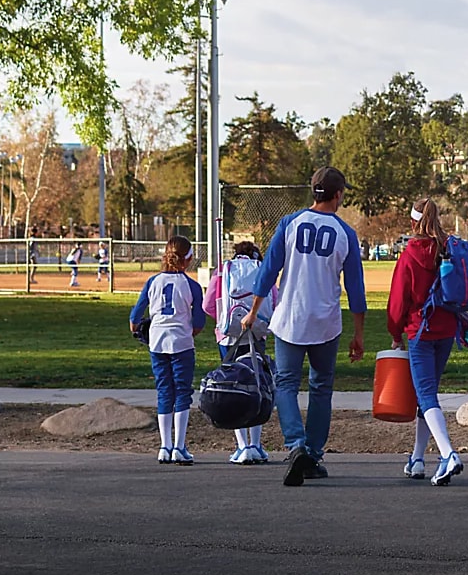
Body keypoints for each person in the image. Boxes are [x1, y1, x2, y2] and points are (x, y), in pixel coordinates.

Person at [244, 167, 367, 488]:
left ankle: (296, 444)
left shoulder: (290, 223)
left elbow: (269, 270)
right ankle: (312, 453)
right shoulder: (345, 233)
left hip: (290, 318)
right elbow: (355, 287)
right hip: (325, 321)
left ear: (313, 191)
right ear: (339, 194)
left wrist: (253, 311)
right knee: (321, 387)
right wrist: (358, 333)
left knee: (285, 383)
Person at [388, 198, 466, 486]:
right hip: (446, 328)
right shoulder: (448, 249)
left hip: (420, 329)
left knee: (425, 395)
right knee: (429, 393)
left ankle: (447, 454)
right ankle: (418, 457)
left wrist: (395, 332)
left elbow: (398, 300)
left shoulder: (409, 255)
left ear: (412, 222)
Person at [128, 236, 205, 465]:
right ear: (189, 259)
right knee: (182, 391)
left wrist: (140, 328)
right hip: (181, 342)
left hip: (157, 341)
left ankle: (164, 446)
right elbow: (199, 322)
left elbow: (135, 316)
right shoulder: (192, 285)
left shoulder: (153, 281)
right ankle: (180, 447)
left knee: (164, 390)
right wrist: (188, 331)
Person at [203, 240, 280, 464]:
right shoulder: (262, 271)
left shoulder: (223, 271)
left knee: (232, 386)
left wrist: (223, 320)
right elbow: (274, 300)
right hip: (256, 334)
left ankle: (241, 446)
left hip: (228, 337)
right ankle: (256, 445)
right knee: (256, 385)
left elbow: (208, 305)